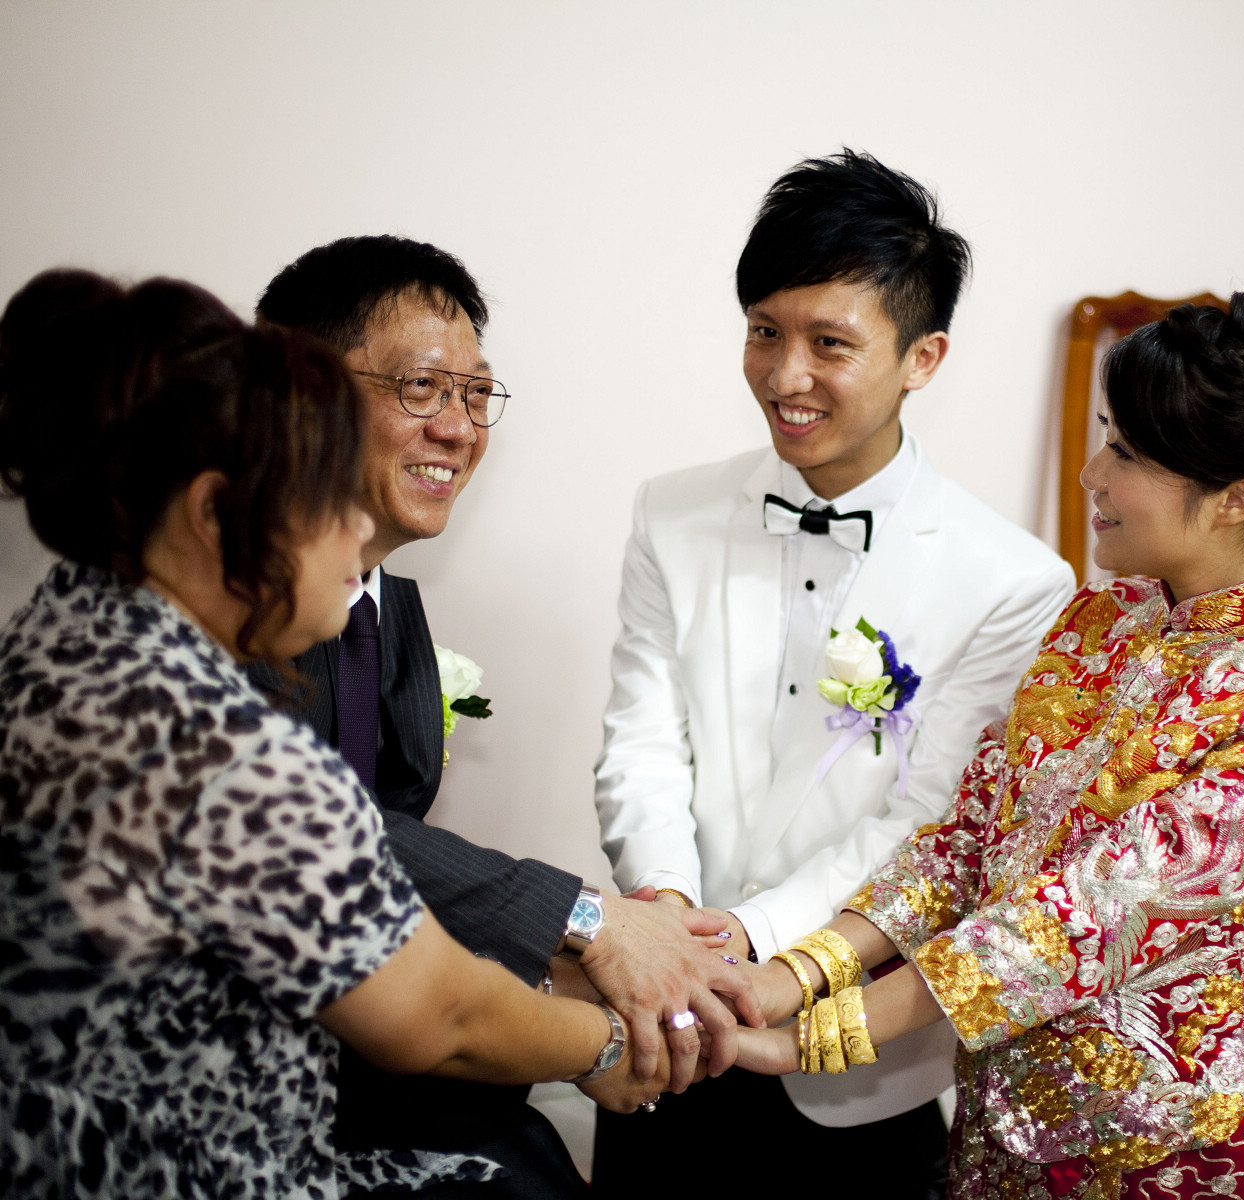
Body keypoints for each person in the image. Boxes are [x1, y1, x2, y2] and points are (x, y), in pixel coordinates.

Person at [0, 271, 676, 1199]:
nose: (359, 528)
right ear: (214, 514)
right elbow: (433, 1014)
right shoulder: (215, 746)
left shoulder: (64, 636)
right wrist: (605, 1042)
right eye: (329, 497)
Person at [731, 294, 1244, 1200]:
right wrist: (795, 970)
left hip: (1165, 1151)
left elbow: (1079, 923)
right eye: (1106, 439)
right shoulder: (1103, 619)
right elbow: (969, 837)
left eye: (1127, 454)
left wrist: (807, 1037)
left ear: (1237, 499)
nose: (1090, 474)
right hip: (1001, 1115)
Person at [593, 150, 1075, 1195]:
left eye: (829, 343)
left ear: (923, 357)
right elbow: (642, 737)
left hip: (856, 1053)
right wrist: (668, 910)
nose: (784, 375)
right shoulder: (670, 512)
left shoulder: (1013, 580)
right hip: (662, 1006)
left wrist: (753, 939)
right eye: (764, 331)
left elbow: (929, 819)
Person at [251, 236, 753, 1195]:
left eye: (477, 394)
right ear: (297, 393)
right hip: (252, 1074)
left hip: (360, 1035)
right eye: (422, 388)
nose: (458, 428)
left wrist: (598, 965)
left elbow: (389, 863)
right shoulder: (228, 608)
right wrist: (587, 934)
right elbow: (324, 835)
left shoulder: (389, 604)